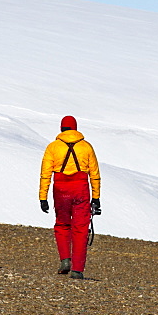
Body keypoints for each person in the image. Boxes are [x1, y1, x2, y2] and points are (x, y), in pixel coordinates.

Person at [39, 115, 101, 280]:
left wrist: (42, 197)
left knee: (62, 225)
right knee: (80, 229)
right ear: (75, 128)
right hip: (81, 189)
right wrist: (96, 197)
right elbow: (94, 174)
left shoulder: (53, 147)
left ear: (61, 129)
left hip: (60, 190)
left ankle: (65, 260)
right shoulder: (86, 147)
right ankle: (78, 270)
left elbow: (45, 174)